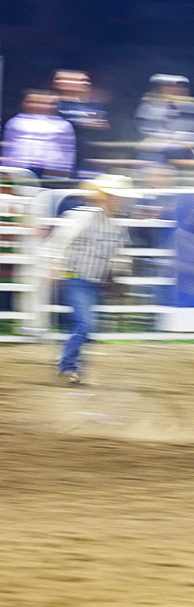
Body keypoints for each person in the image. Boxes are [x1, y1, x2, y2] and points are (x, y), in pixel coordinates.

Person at [41, 174, 132, 384]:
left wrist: (120, 276)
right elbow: (58, 242)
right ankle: (68, 367)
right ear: (103, 197)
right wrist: (52, 265)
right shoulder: (83, 217)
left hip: (97, 283)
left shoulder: (117, 225)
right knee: (86, 324)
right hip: (76, 278)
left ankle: (68, 360)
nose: (116, 200)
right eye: (112, 196)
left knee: (87, 326)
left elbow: (121, 255)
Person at [2, 91, 76, 178]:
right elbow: (8, 149)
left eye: (45, 103)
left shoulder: (64, 125)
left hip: (51, 172)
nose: (38, 105)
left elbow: (68, 153)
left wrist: (64, 173)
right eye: (31, 102)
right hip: (19, 170)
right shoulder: (15, 122)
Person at [134, 74, 194, 163]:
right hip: (153, 153)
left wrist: (176, 142)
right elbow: (148, 133)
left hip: (183, 152)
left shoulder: (193, 107)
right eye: (168, 86)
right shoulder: (148, 106)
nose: (174, 89)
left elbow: (190, 132)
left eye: (178, 87)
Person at [52, 70, 109, 176]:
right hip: (58, 159)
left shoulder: (94, 106)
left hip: (87, 160)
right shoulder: (51, 106)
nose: (84, 83)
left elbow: (103, 126)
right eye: (78, 80)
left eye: (86, 80)